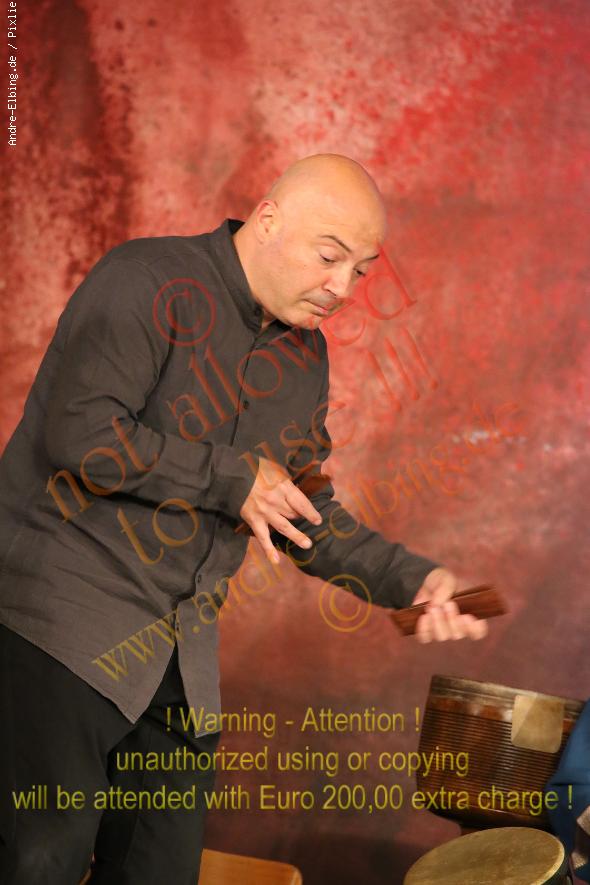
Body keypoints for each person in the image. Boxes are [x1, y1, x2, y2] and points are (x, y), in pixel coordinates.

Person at [0, 153, 487, 884]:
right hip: (59, 627)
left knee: (162, 870)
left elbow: (301, 509)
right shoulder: (145, 280)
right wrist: (235, 478)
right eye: (329, 257)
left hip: (178, 660)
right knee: (40, 861)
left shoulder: (305, 357)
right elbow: (84, 435)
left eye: (361, 271)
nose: (342, 287)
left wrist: (413, 582)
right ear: (267, 220)